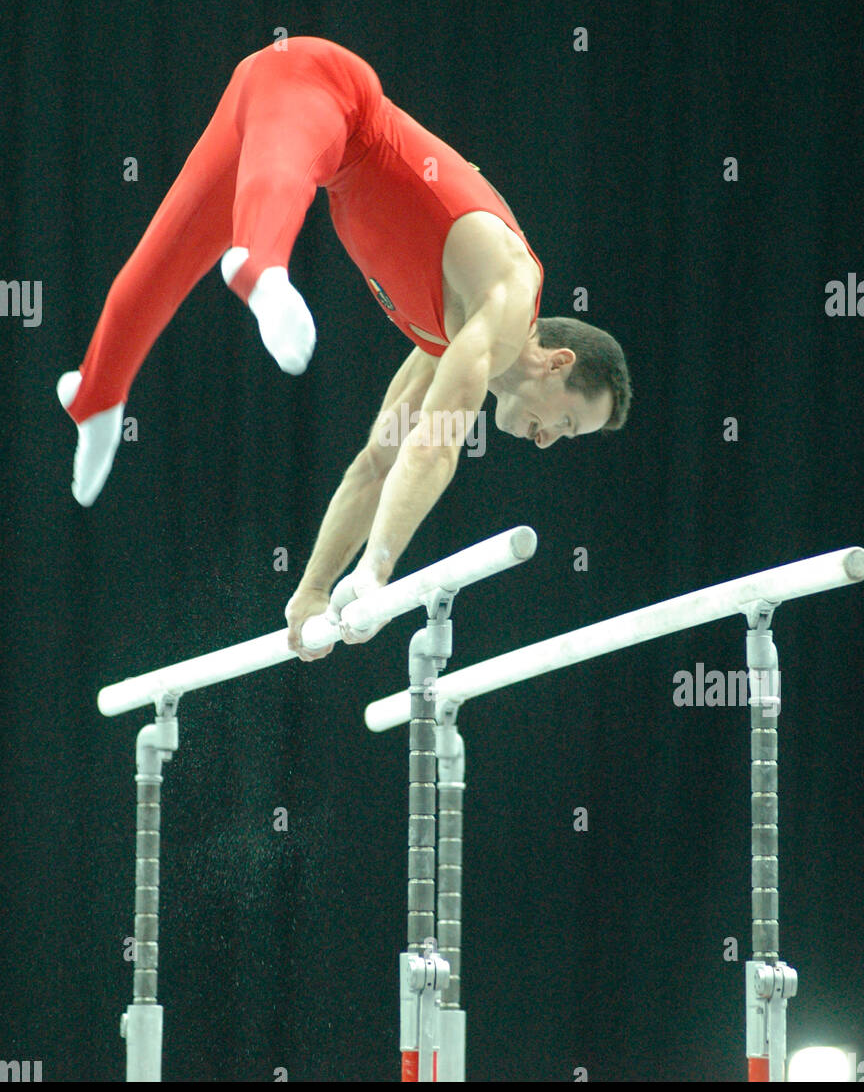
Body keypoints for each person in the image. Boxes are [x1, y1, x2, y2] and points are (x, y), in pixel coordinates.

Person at [56, 35, 631, 656]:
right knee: (266, 206)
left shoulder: (445, 342)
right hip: (330, 91)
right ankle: (262, 275)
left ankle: (98, 393)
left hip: (271, 97)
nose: (550, 439)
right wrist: (375, 574)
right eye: (567, 420)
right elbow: (435, 448)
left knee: (165, 261)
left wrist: (313, 587)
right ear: (557, 361)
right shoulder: (509, 294)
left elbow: (378, 462)